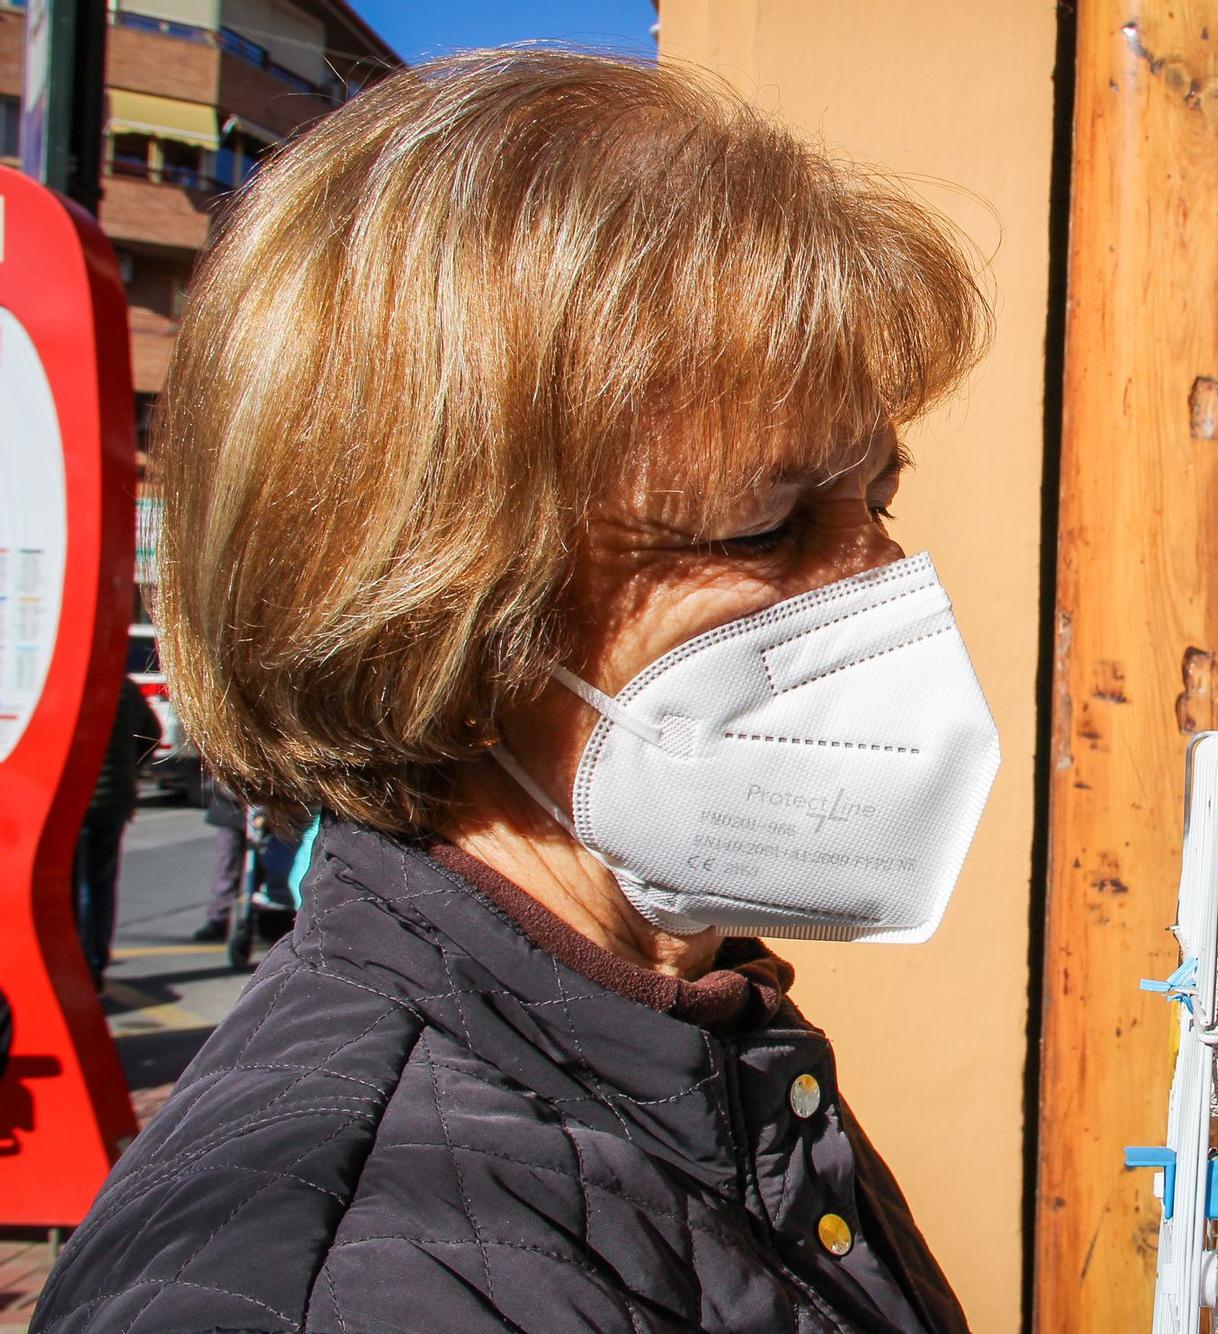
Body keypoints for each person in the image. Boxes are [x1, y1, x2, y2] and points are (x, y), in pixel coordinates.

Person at [34, 49, 997, 1333]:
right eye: (765, 528)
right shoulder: (345, 1280)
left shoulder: (688, 1042)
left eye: (875, 499)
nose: (882, 586)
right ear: (435, 605)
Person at [72, 674, 161, 988]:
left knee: (76, 885)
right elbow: (153, 734)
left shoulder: (66, 683)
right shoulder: (124, 688)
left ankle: (81, 961)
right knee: (101, 882)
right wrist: (132, 766)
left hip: (74, 800)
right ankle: (97, 958)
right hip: (116, 800)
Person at [189, 773, 242, 942]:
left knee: (270, 860)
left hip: (272, 802)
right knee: (227, 861)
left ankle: (265, 916)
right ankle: (218, 917)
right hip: (231, 798)